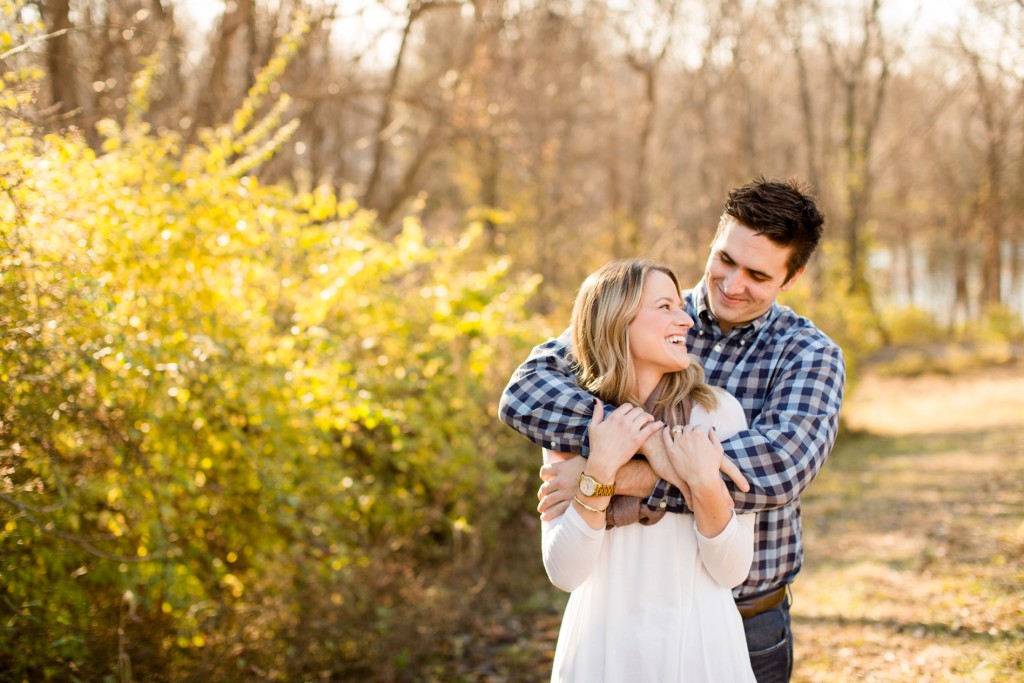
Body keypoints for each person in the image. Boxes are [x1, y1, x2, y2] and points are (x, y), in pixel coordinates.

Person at [499, 176, 846, 683]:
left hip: (744, 618)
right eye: (725, 260)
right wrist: (656, 445)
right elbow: (526, 393)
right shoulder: (647, 312)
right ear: (714, 241)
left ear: (790, 279)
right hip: (620, 614)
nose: (731, 284)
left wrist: (614, 475)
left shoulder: (808, 355)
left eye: (757, 274)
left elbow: (775, 471)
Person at [541, 258, 756, 682]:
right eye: (665, 307)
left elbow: (732, 569)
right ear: (617, 321)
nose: (687, 320)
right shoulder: (574, 423)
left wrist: (703, 481)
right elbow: (565, 573)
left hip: (700, 648)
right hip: (601, 652)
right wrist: (601, 467)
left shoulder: (716, 414)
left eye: (681, 306)